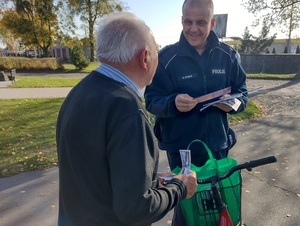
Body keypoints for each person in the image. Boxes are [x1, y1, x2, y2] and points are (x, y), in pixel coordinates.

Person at [56, 12, 197, 226]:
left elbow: (96, 173)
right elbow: (136, 209)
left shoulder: (79, 92)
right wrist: (180, 188)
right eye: (156, 50)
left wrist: (151, 181)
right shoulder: (126, 109)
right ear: (145, 57)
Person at [144, 0, 248, 224]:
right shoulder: (166, 59)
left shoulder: (228, 55)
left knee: (216, 205)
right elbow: (151, 101)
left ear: (212, 23)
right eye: (188, 22)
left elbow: (242, 95)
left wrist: (232, 104)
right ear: (181, 21)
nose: (194, 29)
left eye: (201, 22)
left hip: (217, 147)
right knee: (185, 209)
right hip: (181, 152)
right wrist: (172, 103)